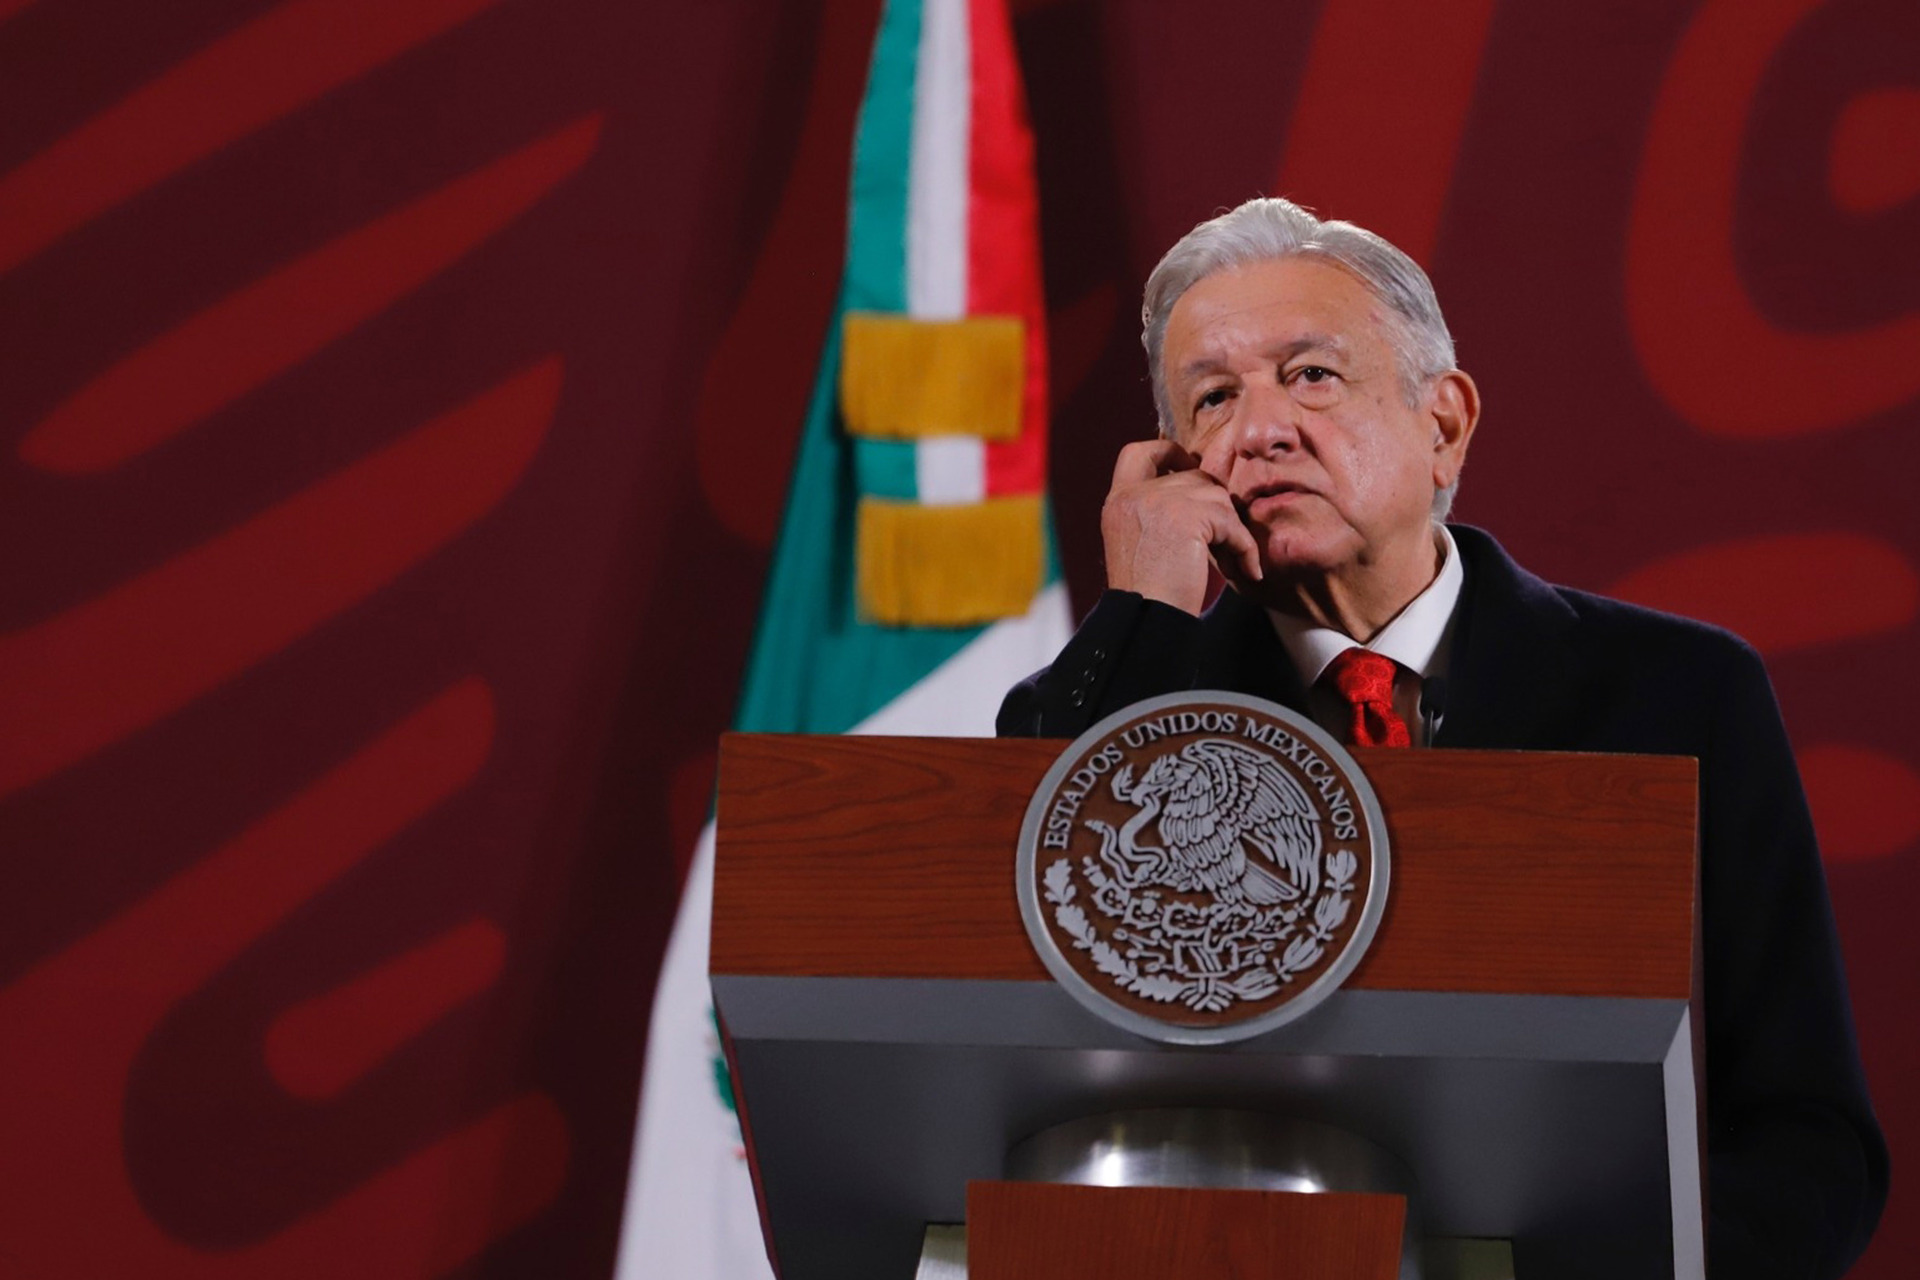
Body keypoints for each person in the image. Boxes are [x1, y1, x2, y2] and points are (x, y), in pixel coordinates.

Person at [999, 197, 1887, 1276]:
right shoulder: (1103, 705)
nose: (1261, 430)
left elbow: (1807, 1139)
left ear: (1444, 423)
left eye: (1311, 375)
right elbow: (1026, 1024)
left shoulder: (1681, 695)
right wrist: (1141, 615)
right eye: (1215, 397)